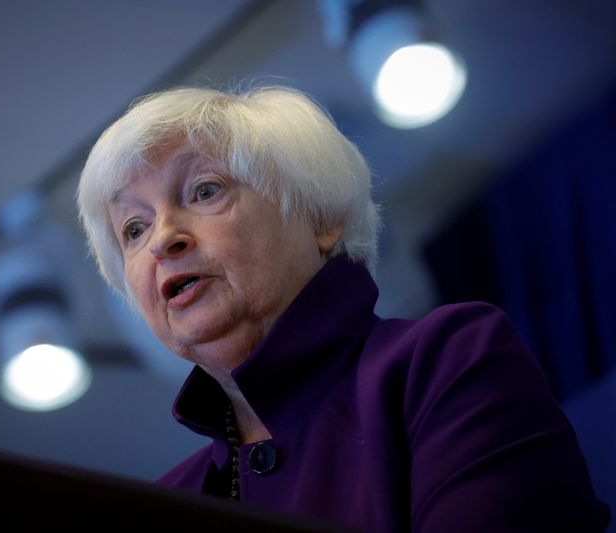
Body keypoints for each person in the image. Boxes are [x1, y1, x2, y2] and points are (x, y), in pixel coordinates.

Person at [76, 84, 610, 532]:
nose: (162, 239)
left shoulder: (446, 361)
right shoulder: (163, 501)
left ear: (320, 217)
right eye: (134, 229)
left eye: (205, 190)